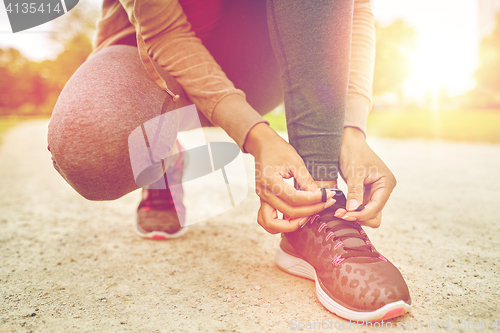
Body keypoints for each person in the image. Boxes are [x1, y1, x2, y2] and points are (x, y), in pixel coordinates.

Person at [47, 0, 411, 321]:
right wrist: (257, 135)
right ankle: (161, 161)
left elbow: (354, 8)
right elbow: (165, 32)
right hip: (151, 57)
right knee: (89, 143)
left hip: (263, 52)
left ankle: (315, 206)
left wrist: (349, 127)